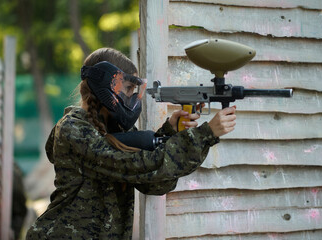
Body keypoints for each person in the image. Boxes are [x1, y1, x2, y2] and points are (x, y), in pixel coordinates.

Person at [26, 47, 236, 239]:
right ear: (106, 84)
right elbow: (137, 165)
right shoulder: (73, 129)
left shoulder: (117, 129)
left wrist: (170, 132)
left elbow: (155, 182)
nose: (131, 97)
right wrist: (205, 134)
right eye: (127, 88)